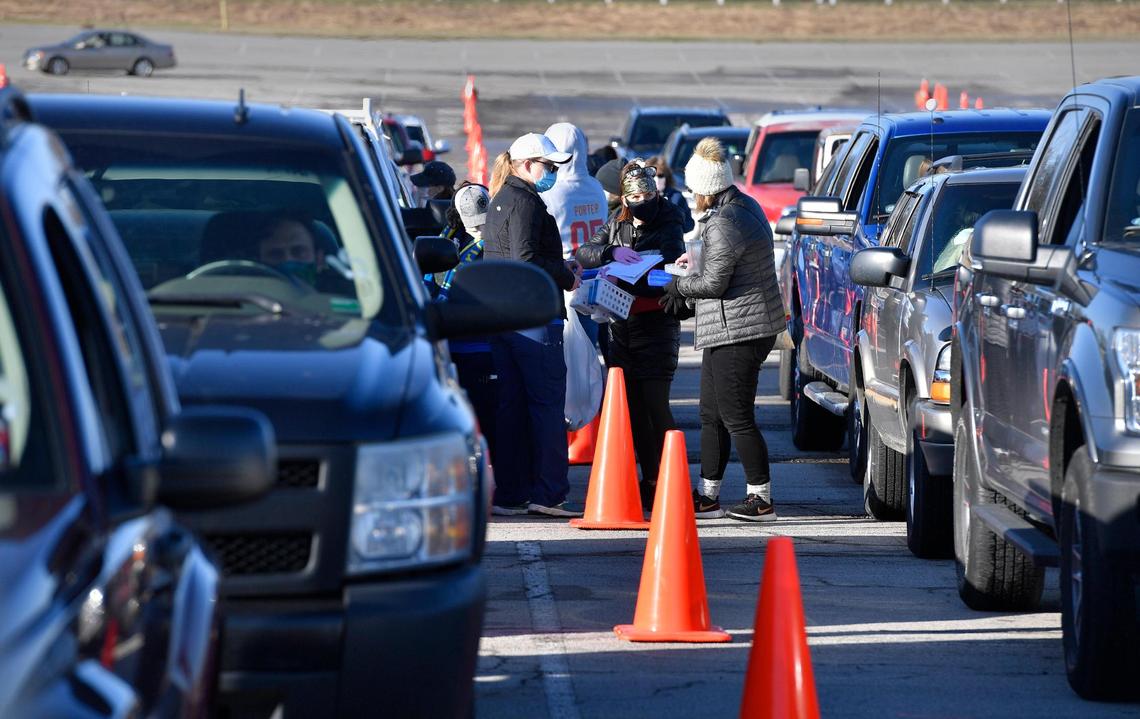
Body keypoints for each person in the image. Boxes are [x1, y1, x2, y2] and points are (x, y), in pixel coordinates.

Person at [659, 138, 785, 522]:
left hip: (740, 330)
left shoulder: (725, 222)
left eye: (693, 190)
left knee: (736, 416)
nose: (691, 196)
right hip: (733, 326)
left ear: (705, 189)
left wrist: (678, 285)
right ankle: (708, 494)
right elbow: (725, 263)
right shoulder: (743, 207)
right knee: (711, 414)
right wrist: (693, 260)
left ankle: (760, 498)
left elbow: (714, 284)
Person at [575, 161, 686, 510]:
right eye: (634, 196)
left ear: (656, 194)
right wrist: (611, 253)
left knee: (656, 404)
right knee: (634, 409)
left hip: (656, 326)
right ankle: (651, 478)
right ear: (624, 198)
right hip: (620, 326)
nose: (641, 201)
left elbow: (672, 267)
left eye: (647, 194)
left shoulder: (669, 222)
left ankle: (675, 477)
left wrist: (643, 269)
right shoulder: (616, 222)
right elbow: (585, 251)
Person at [485, 132, 583, 518]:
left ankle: (511, 491)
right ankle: (549, 492)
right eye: (549, 165)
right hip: (533, 319)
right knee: (545, 406)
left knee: (511, 408)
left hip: (504, 319)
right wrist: (563, 274)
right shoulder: (525, 202)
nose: (554, 172)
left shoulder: (500, 199)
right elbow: (526, 259)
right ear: (526, 165)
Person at [439, 183, 499, 458]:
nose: (478, 229)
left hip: (485, 347)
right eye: (472, 224)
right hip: (450, 344)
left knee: (489, 420)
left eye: (482, 223)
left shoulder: (499, 242)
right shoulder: (448, 241)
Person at [541, 122, 609, 347]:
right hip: (599, 274)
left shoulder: (552, 192)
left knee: (575, 358)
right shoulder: (596, 187)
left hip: (569, 278)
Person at [257, 214, 352, 294]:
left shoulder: (346, 297)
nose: (288, 260)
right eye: (275, 254)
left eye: (299, 252)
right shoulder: (244, 293)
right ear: (259, 261)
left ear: (319, 259)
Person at [645, 155, 695, 234]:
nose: (657, 179)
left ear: (666, 177)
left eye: (660, 176)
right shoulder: (641, 198)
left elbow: (689, 224)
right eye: (653, 176)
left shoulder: (677, 198)